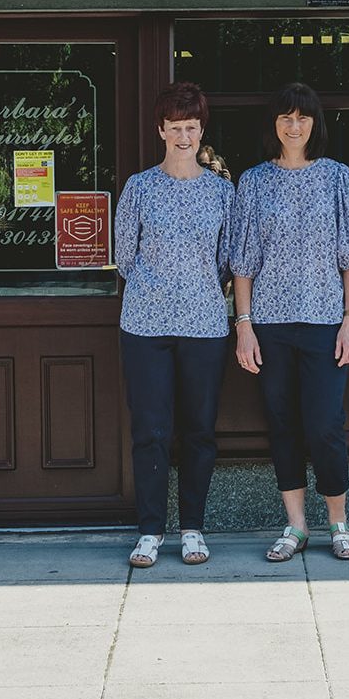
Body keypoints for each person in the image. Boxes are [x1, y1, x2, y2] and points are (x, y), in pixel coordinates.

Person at [231, 82, 349, 562]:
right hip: (269, 325)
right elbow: (242, 263)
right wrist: (243, 325)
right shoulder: (252, 182)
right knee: (283, 423)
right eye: (286, 117)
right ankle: (296, 526)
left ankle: (339, 522)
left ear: (315, 124)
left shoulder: (336, 178)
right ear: (274, 124)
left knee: (326, 424)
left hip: (324, 323)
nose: (294, 126)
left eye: (303, 118)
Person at [114, 82, 236, 568]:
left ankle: (192, 528)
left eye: (191, 126)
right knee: (150, 430)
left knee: (199, 431)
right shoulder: (139, 187)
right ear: (160, 130)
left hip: (205, 325)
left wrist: (198, 288)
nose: (183, 135)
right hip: (145, 325)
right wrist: (158, 288)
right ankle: (149, 531)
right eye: (175, 127)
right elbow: (124, 256)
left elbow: (229, 261)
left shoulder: (222, 192)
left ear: (201, 129)